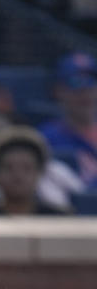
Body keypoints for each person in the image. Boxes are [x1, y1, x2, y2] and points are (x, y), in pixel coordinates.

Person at [0, 125, 72, 215]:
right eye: (9, 168)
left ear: (40, 172)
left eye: (27, 168)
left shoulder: (61, 219)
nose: (18, 175)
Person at [39, 52, 97, 189]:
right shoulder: (45, 138)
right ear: (58, 91)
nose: (85, 91)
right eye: (75, 82)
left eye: (91, 81)